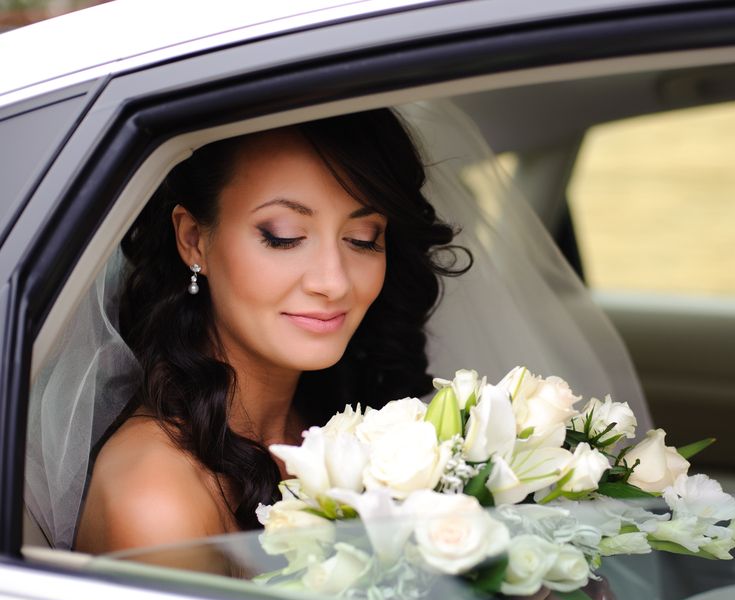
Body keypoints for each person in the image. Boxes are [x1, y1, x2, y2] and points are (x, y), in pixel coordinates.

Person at [74, 109, 469, 554]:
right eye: (284, 236)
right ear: (192, 239)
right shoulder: (157, 497)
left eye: (362, 238)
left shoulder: (344, 420)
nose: (333, 281)